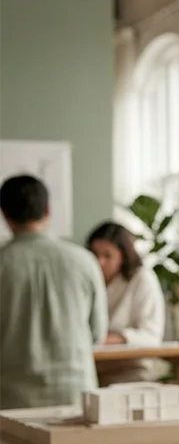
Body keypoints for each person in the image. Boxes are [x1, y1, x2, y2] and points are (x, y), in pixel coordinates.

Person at [0, 175, 107, 410]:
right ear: (48, 210)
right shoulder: (84, 260)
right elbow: (97, 332)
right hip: (76, 395)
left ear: (5, 215)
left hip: (11, 400)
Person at [87, 221, 167, 384]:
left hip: (132, 370)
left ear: (123, 256)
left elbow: (151, 337)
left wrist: (108, 340)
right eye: (95, 254)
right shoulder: (87, 279)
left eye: (107, 256)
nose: (99, 262)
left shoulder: (142, 279)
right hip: (92, 369)